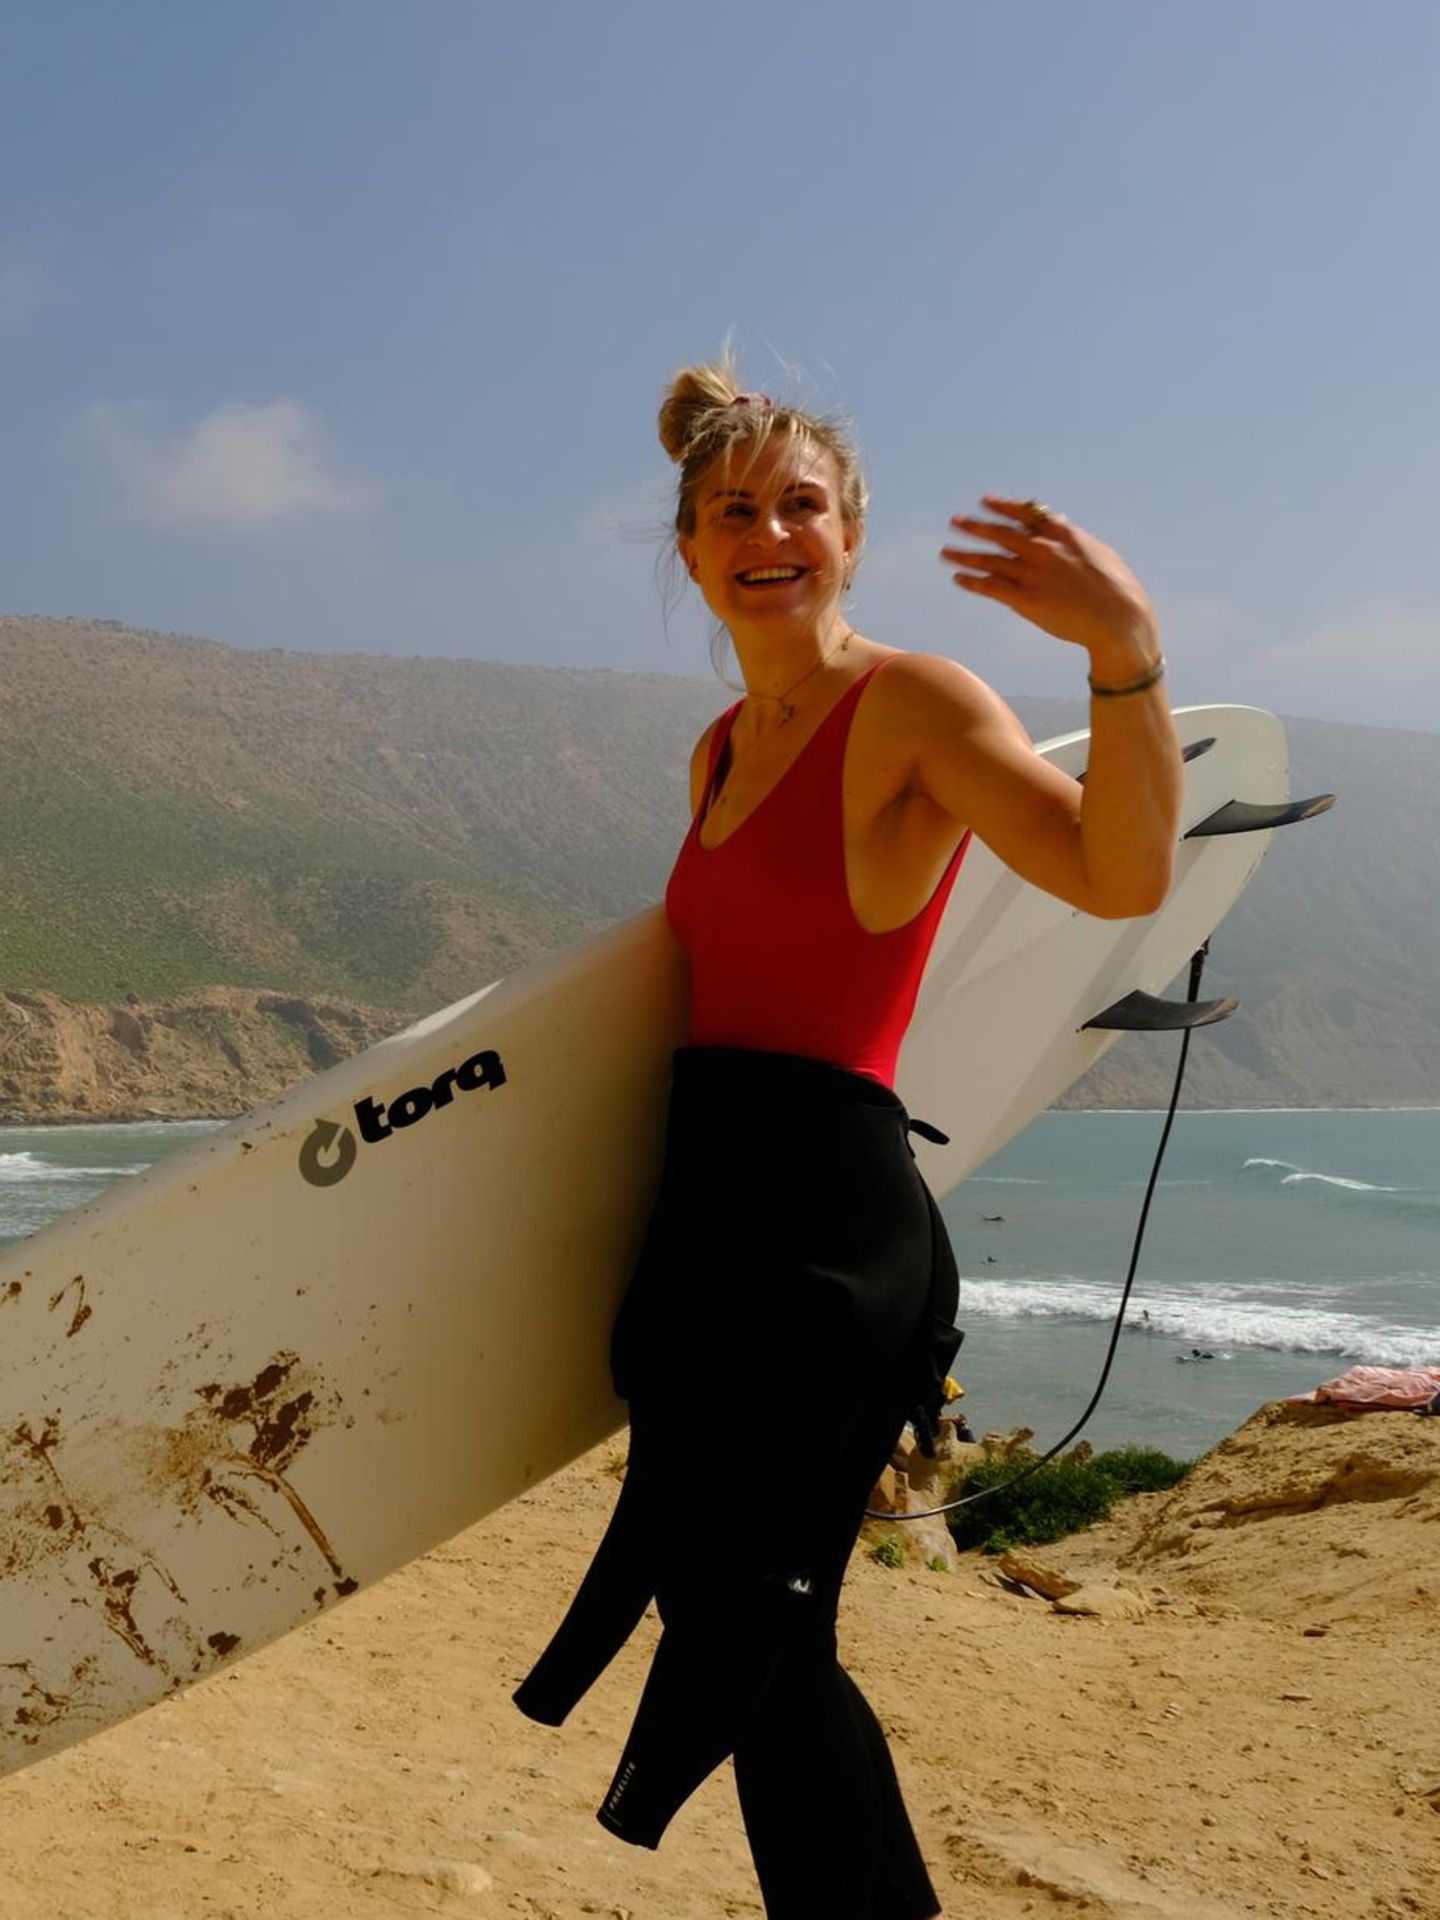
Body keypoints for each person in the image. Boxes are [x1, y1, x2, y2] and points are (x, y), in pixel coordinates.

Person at [514, 358, 1181, 1919]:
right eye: (733, 510)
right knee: (728, 1617)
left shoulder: (915, 705)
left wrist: (1126, 654)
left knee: (766, 1627)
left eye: (801, 505)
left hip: (827, 1233)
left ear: (852, 534)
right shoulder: (719, 747)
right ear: (687, 551)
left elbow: (1120, 873)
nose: (769, 532)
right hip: (714, 1214)